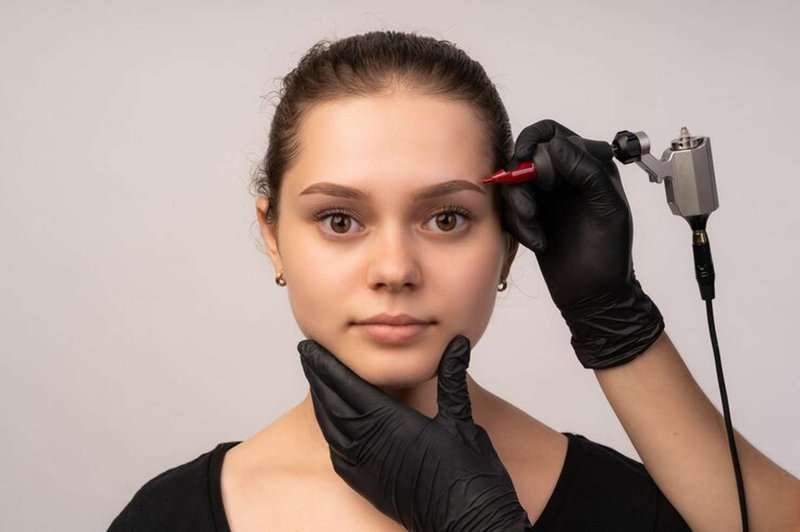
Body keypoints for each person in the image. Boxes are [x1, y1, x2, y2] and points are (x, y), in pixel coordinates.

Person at [108, 31, 800, 531]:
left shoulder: (624, 509)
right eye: (340, 220)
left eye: (445, 218)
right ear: (273, 236)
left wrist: (614, 320)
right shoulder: (168, 520)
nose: (394, 271)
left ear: (509, 244)